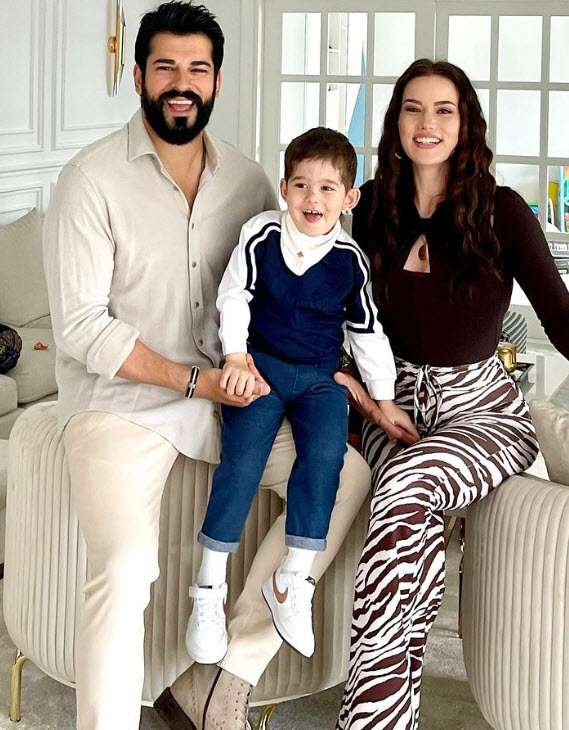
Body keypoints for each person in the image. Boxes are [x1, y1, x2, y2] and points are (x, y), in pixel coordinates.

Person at [42, 3, 387, 730]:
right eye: (164, 66)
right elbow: (79, 327)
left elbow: (287, 289)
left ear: (216, 82)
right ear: (139, 76)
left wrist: (336, 376)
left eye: (196, 68)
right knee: (123, 569)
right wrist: (193, 379)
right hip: (123, 404)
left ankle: (223, 677)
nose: (181, 82)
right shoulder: (89, 179)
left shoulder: (253, 181)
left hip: (239, 395)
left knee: (347, 477)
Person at [334, 58, 569, 730]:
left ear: (465, 124)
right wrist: (362, 398)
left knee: (407, 485)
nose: (427, 123)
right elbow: (329, 312)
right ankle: (389, 713)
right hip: (391, 410)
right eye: (413, 108)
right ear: (395, 122)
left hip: (483, 415)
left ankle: (368, 721)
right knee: (409, 536)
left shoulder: (502, 210)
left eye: (444, 110)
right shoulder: (369, 206)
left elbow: (560, 319)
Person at [184, 127, 419, 664]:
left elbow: (366, 331)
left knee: (326, 458)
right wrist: (235, 357)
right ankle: (209, 588)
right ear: (285, 188)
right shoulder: (262, 235)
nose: (314, 199)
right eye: (302, 185)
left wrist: (382, 398)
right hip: (259, 369)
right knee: (242, 461)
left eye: (328, 188)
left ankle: (292, 580)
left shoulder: (350, 260)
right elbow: (234, 297)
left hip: (319, 378)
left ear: (348, 198)